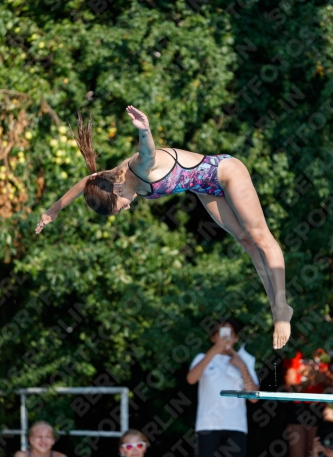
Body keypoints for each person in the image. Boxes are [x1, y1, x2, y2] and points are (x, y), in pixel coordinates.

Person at [35, 106, 293, 349]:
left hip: (226, 173)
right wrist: (54, 209)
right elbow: (87, 180)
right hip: (205, 189)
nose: (126, 208)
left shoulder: (139, 167)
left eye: (120, 206)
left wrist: (144, 129)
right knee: (245, 241)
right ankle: (275, 304)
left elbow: (147, 150)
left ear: (117, 190)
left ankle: (281, 307)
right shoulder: (110, 177)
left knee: (260, 236)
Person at [186, 319, 259, 457]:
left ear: (236, 338)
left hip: (236, 427)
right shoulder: (202, 358)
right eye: (221, 334)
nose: (226, 338)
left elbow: (254, 397)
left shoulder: (246, 361)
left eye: (229, 334)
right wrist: (215, 351)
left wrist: (242, 367)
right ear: (213, 337)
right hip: (208, 426)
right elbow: (191, 379)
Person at [280, 350, 332, 457]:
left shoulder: (323, 354)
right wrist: (311, 379)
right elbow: (290, 387)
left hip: (316, 407)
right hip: (298, 407)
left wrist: (323, 378)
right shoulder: (295, 355)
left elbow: (329, 380)